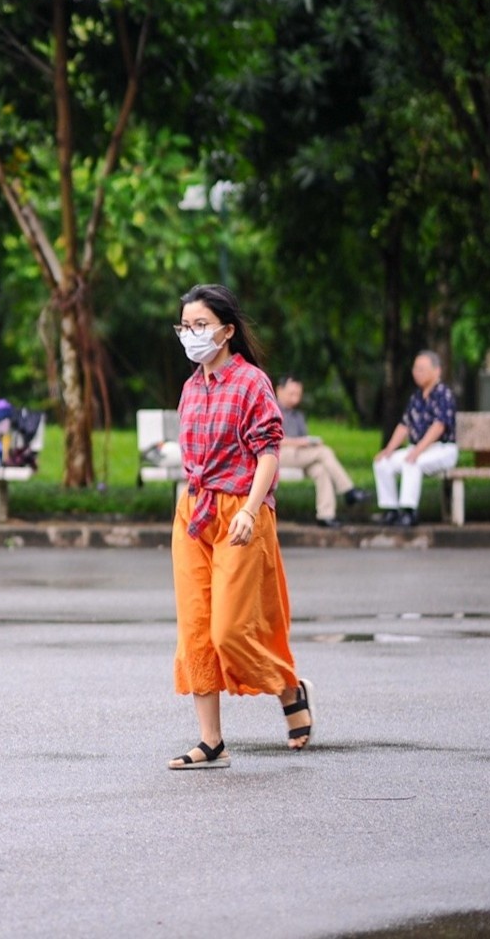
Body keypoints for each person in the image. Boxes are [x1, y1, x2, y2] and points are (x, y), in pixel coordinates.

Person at [167, 284, 313, 771]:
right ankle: (211, 742)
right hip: (194, 515)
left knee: (230, 630)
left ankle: (288, 686)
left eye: (201, 325)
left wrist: (251, 510)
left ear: (227, 330)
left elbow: (269, 451)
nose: (191, 334)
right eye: (185, 326)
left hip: (240, 513)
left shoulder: (252, 382)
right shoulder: (191, 387)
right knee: (196, 630)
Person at [373, 351, 459, 527]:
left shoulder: (444, 394)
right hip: (418, 449)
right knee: (382, 463)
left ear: (437, 371)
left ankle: (409, 511)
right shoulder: (416, 397)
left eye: (421, 369)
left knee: (411, 462)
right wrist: (388, 450)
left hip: (442, 449)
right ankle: (391, 510)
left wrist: (417, 451)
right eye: (415, 369)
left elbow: (439, 427)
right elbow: (404, 425)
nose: (416, 373)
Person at [274, 375, 371, 528]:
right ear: (279, 390)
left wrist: (309, 443)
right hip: (276, 455)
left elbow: (304, 439)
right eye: (291, 394)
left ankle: (325, 516)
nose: (295, 398)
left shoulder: (298, 416)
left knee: (321, 469)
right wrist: (301, 442)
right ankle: (348, 490)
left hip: (298, 456)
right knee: (324, 452)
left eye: (298, 395)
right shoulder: (271, 410)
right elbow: (271, 439)